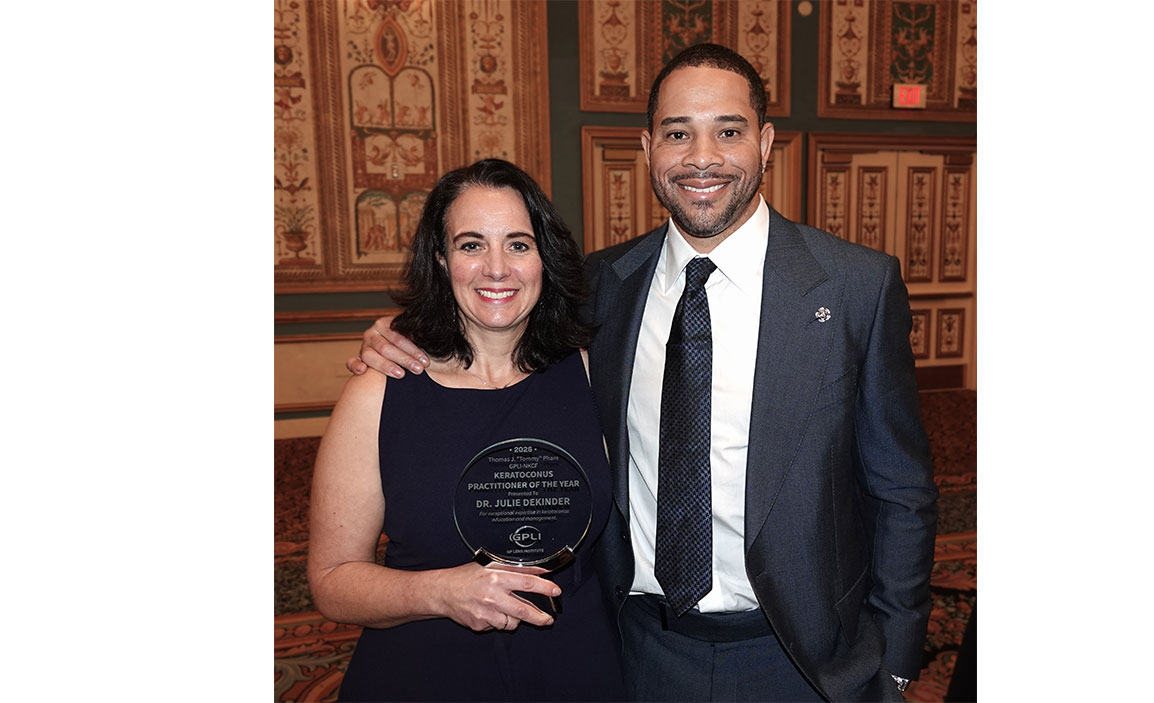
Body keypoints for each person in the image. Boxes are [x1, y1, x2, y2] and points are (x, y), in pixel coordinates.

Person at [351, 44, 938, 702]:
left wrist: (895, 660)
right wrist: (399, 335)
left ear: (767, 142)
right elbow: (490, 303)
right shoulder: (600, 287)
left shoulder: (858, 286)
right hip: (639, 652)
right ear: (647, 146)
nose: (702, 157)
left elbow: (902, 492)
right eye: (677, 133)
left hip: (803, 659)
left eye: (729, 130)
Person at [311, 158, 626, 702]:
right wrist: (442, 591)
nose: (497, 269)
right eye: (472, 244)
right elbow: (333, 581)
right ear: (441, 258)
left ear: (544, 259)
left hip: (576, 670)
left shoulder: (596, 373)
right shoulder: (383, 388)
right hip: (425, 673)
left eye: (519, 245)